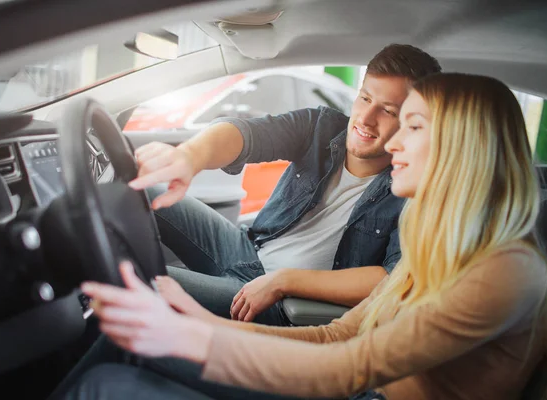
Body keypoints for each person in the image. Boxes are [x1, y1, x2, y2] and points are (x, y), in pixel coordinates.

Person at [57, 73, 547, 400]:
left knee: (110, 376)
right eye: (368, 101)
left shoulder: (505, 269)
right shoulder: (445, 249)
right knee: (129, 344)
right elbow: (336, 336)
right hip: (339, 369)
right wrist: (203, 325)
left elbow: (349, 369)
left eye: (413, 125)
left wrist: (192, 336)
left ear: (463, 144)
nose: (393, 139)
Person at [127, 44, 442, 325]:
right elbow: (246, 135)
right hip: (246, 250)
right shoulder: (321, 127)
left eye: (388, 111)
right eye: (365, 98)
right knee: (136, 189)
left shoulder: (413, 186)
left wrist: (284, 282)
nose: (365, 118)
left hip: (283, 302)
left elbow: (391, 279)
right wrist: (189, 156)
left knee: (136, 282)